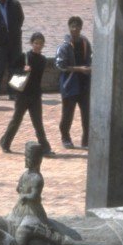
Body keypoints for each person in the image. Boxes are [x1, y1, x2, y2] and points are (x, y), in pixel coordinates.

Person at [0, 32, 52, 155]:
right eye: (36, 43)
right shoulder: (24, 57)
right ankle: (5, 142)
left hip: (35, 95)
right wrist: (22, 69)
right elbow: (12, 69)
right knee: (16, 121)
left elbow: (37, 74)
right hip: (22, 95)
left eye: (40, 44)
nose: (38, 46)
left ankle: (45, 148)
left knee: (38, 123)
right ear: (31, 43)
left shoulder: (43, 60)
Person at [54, 16, 91, 149]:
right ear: (69, 28)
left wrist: (89, 68)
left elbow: (90, 59)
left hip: (85, 84)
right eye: (72, 26)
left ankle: (86, 140)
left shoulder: (85, 42)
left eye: (77, 26)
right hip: (70, 85)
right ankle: (65, 137)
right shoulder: (64, 46)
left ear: (81, 28)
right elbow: (60, 65)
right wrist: (78, 69)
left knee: (87, 114)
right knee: (68, 114)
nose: (75, 29)